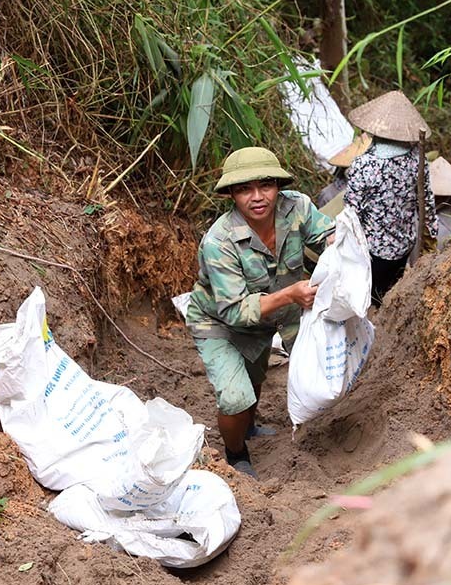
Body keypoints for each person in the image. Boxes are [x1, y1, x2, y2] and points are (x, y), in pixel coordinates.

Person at [185, 147, 334, 479]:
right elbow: (236, 311)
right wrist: (289, 295)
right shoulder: (219, 242)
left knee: (254, 376)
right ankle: (236, 451)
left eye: (265, 185)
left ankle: (249, 427)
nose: (256, 197)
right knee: (235, 396)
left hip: (273, 312)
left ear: (278, 186)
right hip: (218, 319)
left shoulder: (296, 206)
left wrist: (341, 249)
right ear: (231, 195)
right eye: (244, 189)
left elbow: (329, 235)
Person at [341, 91, 437, 306]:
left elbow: (352, 210)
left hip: (371, 249)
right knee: (388, 292)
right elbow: (427, 202)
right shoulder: (417, 161)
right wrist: (430, 234)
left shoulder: (365, 165)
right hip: (404, 245)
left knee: (367, 296)